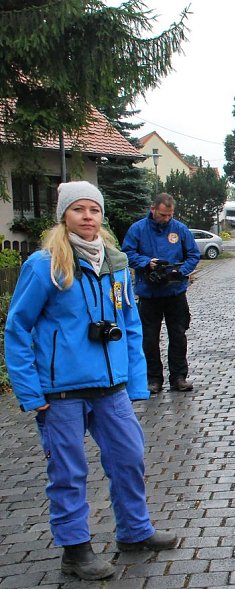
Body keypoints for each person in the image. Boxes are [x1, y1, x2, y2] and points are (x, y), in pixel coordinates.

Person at [4, 181, 178, 581]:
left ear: (102, 217)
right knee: (69, 472)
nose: (87, 217)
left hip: (111, 388)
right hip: (61, 390)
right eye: (78, 210)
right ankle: (75, 550)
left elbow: (131, 326)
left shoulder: (115, 264)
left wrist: (135, 383)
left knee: (129, 458)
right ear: (64, 215)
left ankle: (134, 532)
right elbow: (17, 328)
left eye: (94, 210)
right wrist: (30, 392)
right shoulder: (45, 264)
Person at [122, 193, 200, 394]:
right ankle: (153, 379)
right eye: (163, 215)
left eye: (170, 215)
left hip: (175, 292)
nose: (166, 219)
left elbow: (193, 255)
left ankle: (179, 377)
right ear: (153, 209)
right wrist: (146, 263)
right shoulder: (138, 229)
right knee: (149, 338)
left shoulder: (180, 229)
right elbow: (127, 253)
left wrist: (180, 272)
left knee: (178, 335)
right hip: (149, 293)